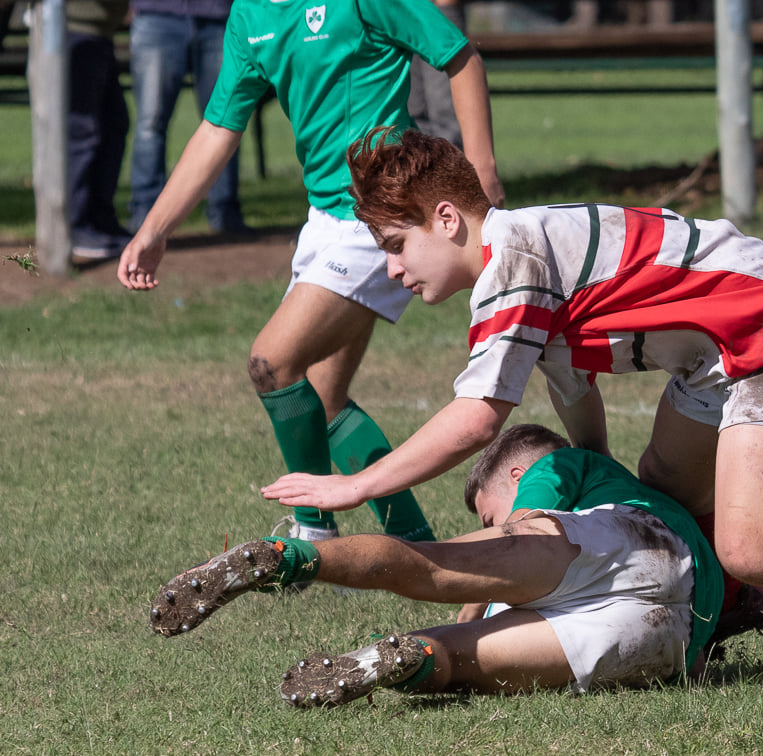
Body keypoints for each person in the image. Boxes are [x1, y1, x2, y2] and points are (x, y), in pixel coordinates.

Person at [260, 127, 763, 687]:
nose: (391, 269)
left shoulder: (514, 261)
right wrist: (596, 494)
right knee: (659, 481)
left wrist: (351, 487)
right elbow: (581, 410)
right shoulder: (526, 269)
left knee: (755, 544)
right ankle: (727, 601)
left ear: (447, 219)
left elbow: (478, 417)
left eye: (395, 244)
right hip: (716, 356)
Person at [117, 1, 506, 546]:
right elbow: (217, 128)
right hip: (323, 219)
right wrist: (155, 230)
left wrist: (480, 170)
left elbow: (459, 57)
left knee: (272, 362)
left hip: (382, 218)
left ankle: (313, 532)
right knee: (321, 403)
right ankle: (416, 547)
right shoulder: (249, 17)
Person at [149, 424, 729, 706]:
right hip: (673, 638)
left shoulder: (553, 470)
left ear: (517, 478)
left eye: (486, 514)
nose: (488, 525)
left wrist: (476, 577)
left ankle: (288, 557)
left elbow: (479, 562)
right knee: (455, 661)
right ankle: (387, 657)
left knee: (432, 566)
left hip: (635, 546)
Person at [127, 0, 248, 235]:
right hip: (157, 13)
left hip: (219, 15)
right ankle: (144, 212)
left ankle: (225, 211)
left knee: (227, 120)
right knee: (150, 123)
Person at [64, 1, 133, 261]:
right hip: (74, 30)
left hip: (100, 32)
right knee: (82, 131)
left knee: (114, 125)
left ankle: (101, 219)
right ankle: (76, 225)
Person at [408, 0, 465, 149]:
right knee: (413, 110)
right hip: (406, 13)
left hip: (441, 11)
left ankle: (450, 166)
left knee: (445, 113)